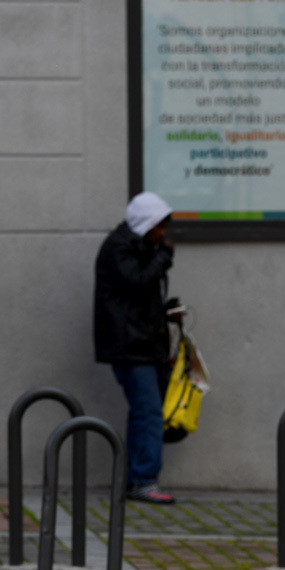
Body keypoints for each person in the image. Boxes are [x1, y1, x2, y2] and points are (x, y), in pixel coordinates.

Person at [94, 192, 178, 504]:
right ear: (147, 224)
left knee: (143, 413)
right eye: (160, 227)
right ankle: (143, 478)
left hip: (142, 344)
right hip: (131, 346)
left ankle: (138, 477)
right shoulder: (120, 247)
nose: (163, 235)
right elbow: (137, 281)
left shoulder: (136, 246)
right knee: (149, 412)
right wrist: (162, 258)